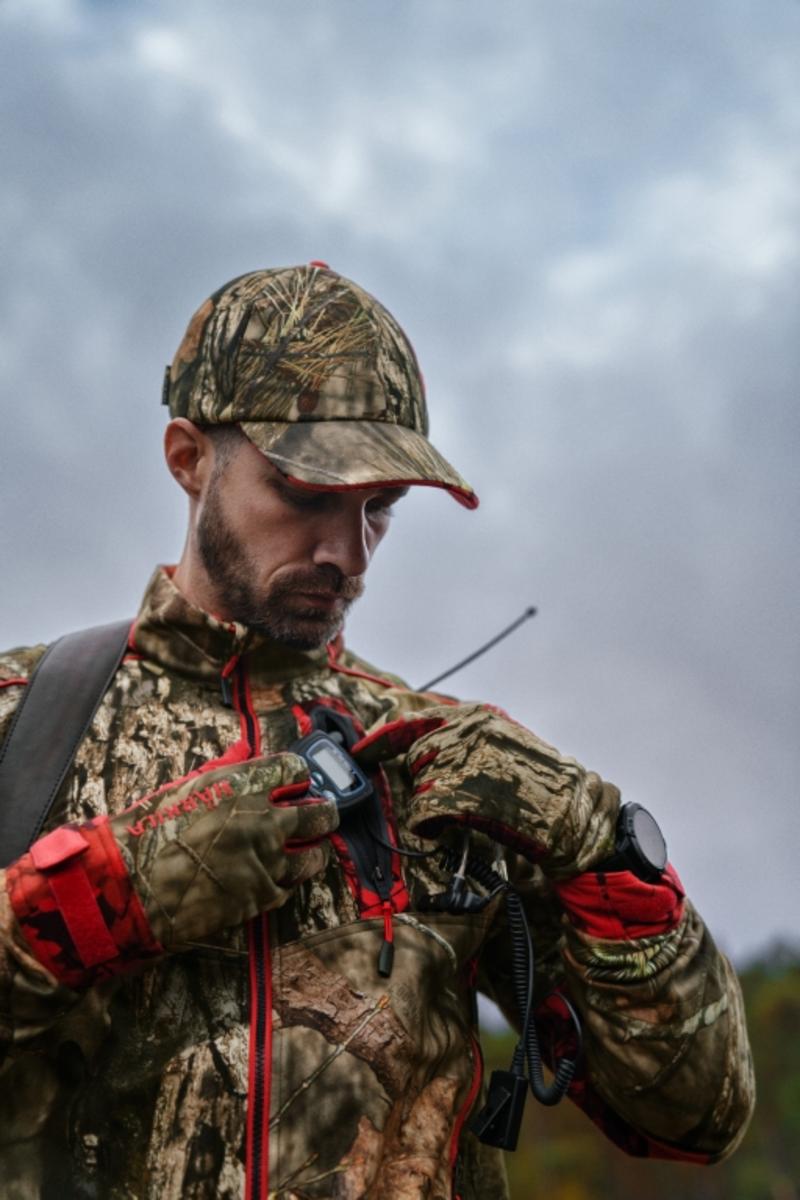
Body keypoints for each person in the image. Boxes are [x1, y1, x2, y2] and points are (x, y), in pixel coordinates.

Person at [0, 262, 754, 1200]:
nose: (348, 555)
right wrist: (109, 896)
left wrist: (602, 849)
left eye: (380, 508)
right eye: (307, 493)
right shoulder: (27, 721)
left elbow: (697, 1117)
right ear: (189, 458)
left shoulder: (441, 771)